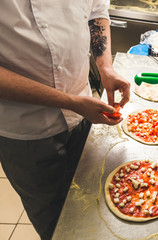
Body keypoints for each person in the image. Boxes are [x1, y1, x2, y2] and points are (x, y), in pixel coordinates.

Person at [0, 1, 130, 239]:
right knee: (54, 221)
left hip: (83, 113)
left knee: (93, 203)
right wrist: (71, 102)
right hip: (25, 132)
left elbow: (96, 12)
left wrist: (105, 67)